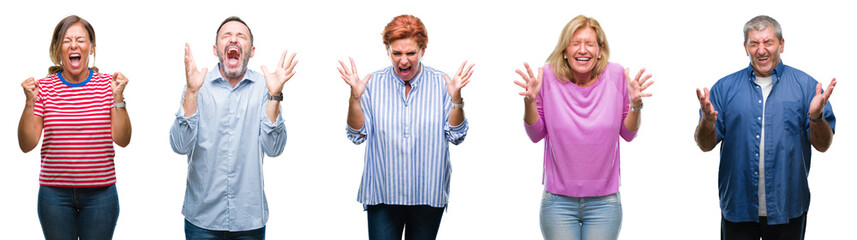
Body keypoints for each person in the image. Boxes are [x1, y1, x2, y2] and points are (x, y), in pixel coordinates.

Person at [694, 15, 836, 240]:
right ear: (745, 47)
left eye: (768, 42)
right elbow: (704, 145)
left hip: (788, 208)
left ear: (781, 44)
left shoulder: (807, 86)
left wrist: (817, 117)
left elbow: (823, 145)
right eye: (754, 43)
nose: (761, 50)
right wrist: (707, 121)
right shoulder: (724, 88)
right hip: (738, 207)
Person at [515, 15, 652, 240]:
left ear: (600, 50)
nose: (582, 50)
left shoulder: (616, 75)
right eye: (575, 43)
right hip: (558, 202)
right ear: (564, 50)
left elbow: (627, 134)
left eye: (589, 44)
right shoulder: (547, 76)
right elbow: (536, 134)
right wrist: (529, 100)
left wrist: (636, 106)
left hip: (604, 203)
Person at [338, 14, 473, 240]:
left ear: (422, 51)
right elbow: (356, 135)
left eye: (410, 53)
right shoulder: (372, 84)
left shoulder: (442, 83)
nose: (403, 60)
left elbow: (457, 135)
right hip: (383, 193)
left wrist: (456, 99)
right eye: (396, 53)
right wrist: (355, 99)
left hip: (427, 194)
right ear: (388, 51)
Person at [169, 16, 296, 240]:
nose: (234, 39)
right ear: (216, 48)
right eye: (226, 35)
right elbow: (180, 146)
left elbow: (274, 149)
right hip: (202, 220)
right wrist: (191, 92)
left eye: (241, 36)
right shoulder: (197, 85)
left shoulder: (264, 87)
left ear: (252, 50)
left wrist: (275, 95)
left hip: (249, 220)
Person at [17, 15, 132, 240]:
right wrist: (29, 102)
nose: (74, 45)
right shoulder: (43, 88)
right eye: (67, 40)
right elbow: (26, 144)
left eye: (80, 39)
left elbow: (123, 139)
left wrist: (119, 98)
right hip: (54, 196)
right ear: (58, 48)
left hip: (101, 195)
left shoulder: (108, 85)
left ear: (91, 47)